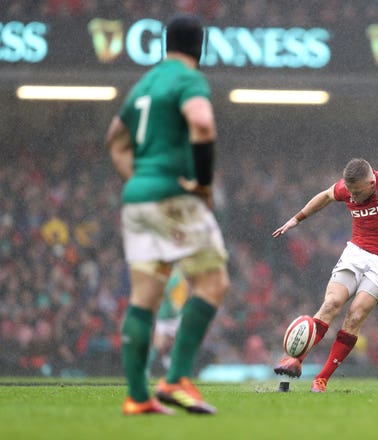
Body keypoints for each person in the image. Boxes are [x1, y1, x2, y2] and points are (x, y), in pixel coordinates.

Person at [107, 13, 230, 415]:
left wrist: (139, 178)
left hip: (137, 197)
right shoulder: (188, 79)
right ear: (201, 47)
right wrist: (204, 185)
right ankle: (175, 378)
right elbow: (202, 124)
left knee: (144, 298)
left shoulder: (146, 82)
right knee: (212, 284)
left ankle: (137, 397)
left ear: (165, 44)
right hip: (174, 196)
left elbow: (115, 140)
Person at [273, 153, 378, 393]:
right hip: (357, 252)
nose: (352, 197)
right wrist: (297, 219)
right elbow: (326, 196)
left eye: (357, 192)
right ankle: (295, 360)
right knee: (332, 303)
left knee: (355, 316)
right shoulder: (348, 188)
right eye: (350, 192)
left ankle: (322, 378)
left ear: (371, 183)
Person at [146, 267, 188, 378]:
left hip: (166, 312)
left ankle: (166, 360)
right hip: (171, 312)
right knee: (173, 340)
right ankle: (164, 361)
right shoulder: (174, 272)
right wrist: (172, 308)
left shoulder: (166, 270)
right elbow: (166, 290)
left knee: (168, 340)